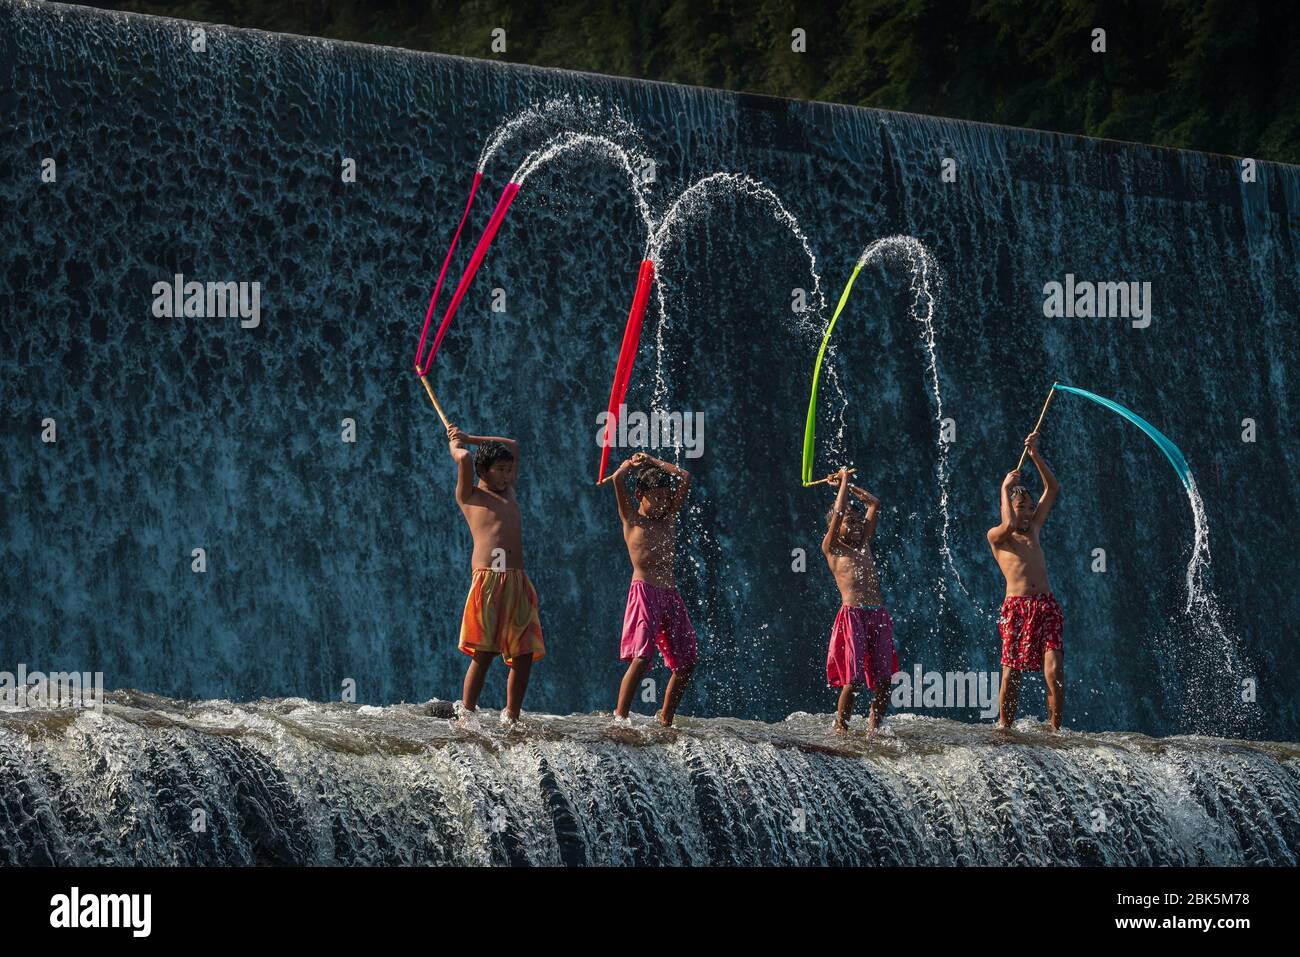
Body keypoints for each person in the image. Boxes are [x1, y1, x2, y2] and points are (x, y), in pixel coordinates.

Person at [446, 423, 544, 724]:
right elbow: (463, 459)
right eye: (500, 470)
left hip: (516, 579)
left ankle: (512, 716)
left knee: (524, 653)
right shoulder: (471, 496)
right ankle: (467, 712)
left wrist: (472, 438)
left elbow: (513, 443)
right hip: (489, 579)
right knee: (484, 652)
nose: (506, 475)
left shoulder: (510, 491)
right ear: (483, 470)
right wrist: (456, 443)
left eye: (508, 470)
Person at [608, 452, 697, 727]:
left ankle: (665, 718)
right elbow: (618, 479)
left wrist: (653, 461)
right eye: (655, 497)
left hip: (670, 594)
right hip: (644, 591)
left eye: (665, 497)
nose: (661, 503)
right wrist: (629, 465)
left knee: (687, 662)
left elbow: (684, 476)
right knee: (641, 657)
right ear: (639, 494)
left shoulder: (668, 517)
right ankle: (620, 718)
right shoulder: (632, 520)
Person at [986, 431, 1064, 729]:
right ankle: (1005, 727)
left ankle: (1056, 730)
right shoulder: (998, 537)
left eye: (1031, 508)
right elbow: (1007, 522)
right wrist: (1005, 489)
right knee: (1011, 673)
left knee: (1055, 671)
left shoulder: (1033, 530)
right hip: (1017, 609)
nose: (1029, 514)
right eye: (1023, 508)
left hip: (1046, 606)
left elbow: (1053, 488)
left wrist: (1034, 455)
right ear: (1008, 507)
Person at [822, 466, 898, 732]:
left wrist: (848, 485)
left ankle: (874, 726)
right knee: (851, 681)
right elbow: (838, 513)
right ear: (836, 526)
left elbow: (874, 503)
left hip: (877, 614)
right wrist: (842, 482)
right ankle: (841, 727)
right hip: (853, 615)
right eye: (849, 522)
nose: (855, 525)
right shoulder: (832, 548)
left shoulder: (864, 543)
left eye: (857, 521)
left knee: (885, 679)